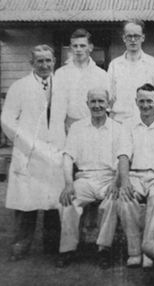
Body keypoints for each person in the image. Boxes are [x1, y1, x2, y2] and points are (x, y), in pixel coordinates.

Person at [1, 45, 64, 260]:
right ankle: (20, 246)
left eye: (48, 60)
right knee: (26, 204)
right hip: (28, 154)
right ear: (32, 64)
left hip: (55, 153)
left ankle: (52, 247)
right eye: (40, 61)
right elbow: (7, 120)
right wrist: (31, 145)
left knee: (53, 205)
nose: (45, 65)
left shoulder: (62, 86)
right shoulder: (19, 87)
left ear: (54, 61)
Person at [56, 88, 122, 269]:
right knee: (67, 201)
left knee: (112, 202)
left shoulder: (118, 129)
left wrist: (116, 183)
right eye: (93, 102)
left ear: (108, 104)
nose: (97, 105)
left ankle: (104, 250)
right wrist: (69, 184)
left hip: (109, 179)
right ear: (87, 104)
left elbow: (123, 159)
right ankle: (67, 249)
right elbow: (68, 156)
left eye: (101, 101)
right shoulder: (77, 128)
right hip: (84, 179)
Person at [114, 83, 154, 267]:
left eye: (149, 101)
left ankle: (150, 251)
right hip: (135, 175)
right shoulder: (128, 125)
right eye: (142, 101)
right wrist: (125, 182)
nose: (146, 105)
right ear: (136, 102)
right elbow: (123, 155)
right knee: (126, 197)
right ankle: (135, 251)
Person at [51, 28, 109, 149]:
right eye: (75, 46)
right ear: (71, 48)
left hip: (95, 128)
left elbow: (105, 106)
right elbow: (57, 111)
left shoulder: (101, 74)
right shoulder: (61, 73)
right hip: (70, 128)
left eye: (82, 45)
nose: (78, 49)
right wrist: (58, 139)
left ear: (90, 47)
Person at [108, 19, 154, 122]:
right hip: (120, 122)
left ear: (143, 37)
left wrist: (150, 118)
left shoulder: (153, 63)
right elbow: (110, 97)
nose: (133, 40)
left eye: (136, 36)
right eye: (129, 36)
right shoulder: (114, 65)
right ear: (124, 38)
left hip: (144, 123)